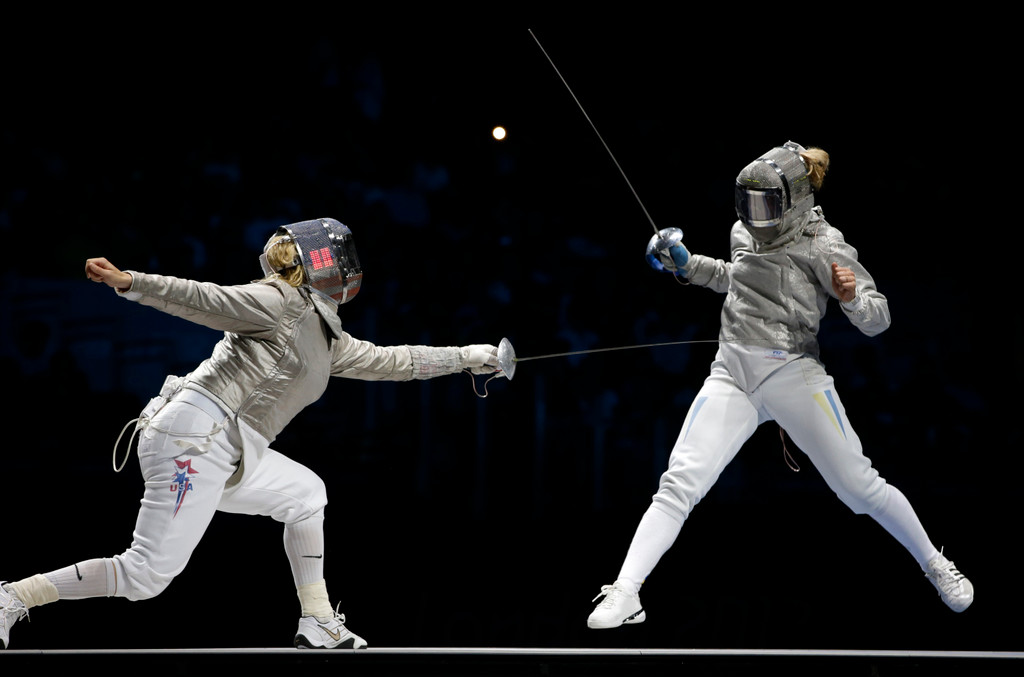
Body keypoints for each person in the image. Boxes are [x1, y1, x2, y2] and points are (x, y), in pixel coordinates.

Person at [0, 217, 500, 650]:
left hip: (227, 446)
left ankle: (318, 620)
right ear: (323, 263)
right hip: (196, 435)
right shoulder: (278, 298)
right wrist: (131, 281)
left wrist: (466, 358)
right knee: (145, 575)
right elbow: (205, 298)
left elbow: (395, 361)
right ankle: (13, 596)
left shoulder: (328, 339)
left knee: (306, 495)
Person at [586, 142, 973, 630]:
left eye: (765, 204)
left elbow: (879, 318)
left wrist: (852, 298)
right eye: (747, 202)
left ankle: (935, 564)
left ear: (793, 199)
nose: (754, 215)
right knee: (679, 483)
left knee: (859, 488)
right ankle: (626, 593)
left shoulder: (823, 243)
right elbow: (737, 279)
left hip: (793, 372)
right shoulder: (741, 232)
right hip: (732, 372)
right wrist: (686, 263)